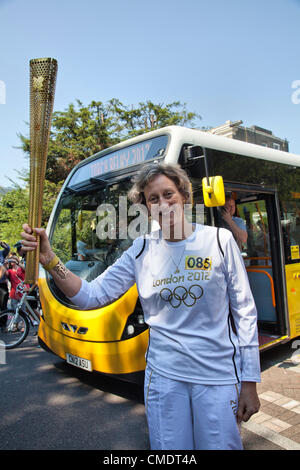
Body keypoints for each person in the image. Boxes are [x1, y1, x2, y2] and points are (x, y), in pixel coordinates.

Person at [21, 163, 260, 450]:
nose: (163, 203)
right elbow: (90, 295)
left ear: (184, 195)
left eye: (168, 194)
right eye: (153, 199)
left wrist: (249, 382)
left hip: (217, 378)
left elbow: (245, 312)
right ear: (146, 207)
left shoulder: (219, 241)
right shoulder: (141, 249)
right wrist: (49, 259)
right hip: (165, 380)